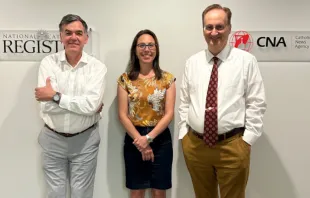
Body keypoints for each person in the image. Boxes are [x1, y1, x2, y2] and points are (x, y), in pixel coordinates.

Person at [178, 4, 267, 198]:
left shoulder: (246, 61)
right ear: (203, 29)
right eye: (208, 27)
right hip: (195, 146)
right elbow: (184, 101)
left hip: (232, 147)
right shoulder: (192, 63)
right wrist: (184, 135)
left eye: (219, 26)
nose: (214, 32)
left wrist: (247, 141)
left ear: (229, 28)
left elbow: (256, 103)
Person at [35, 14, 107, 198]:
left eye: (78, 33)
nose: (73, 37)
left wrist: (55, 96)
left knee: (81, 194)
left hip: (85, 141)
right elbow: (46, 107)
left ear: (86, 38)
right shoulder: (48, 63)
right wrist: (82, 105)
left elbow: (91, 106)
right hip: (52, 139)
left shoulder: (97, 67)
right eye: (68, 33)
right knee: (55, 194)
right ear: (60, 36)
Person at [117, 29, 176, 198]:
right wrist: (141, 141)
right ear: (135, 49)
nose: (146, 49)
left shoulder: (167, 79)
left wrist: (148, 138)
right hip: (134, 137)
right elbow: (122, 115)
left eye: (151, 45)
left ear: (156, 49)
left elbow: (169, 113)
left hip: (160, 138)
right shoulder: (125, 79)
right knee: (137, 190)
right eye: (142, 45)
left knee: (159, 190)